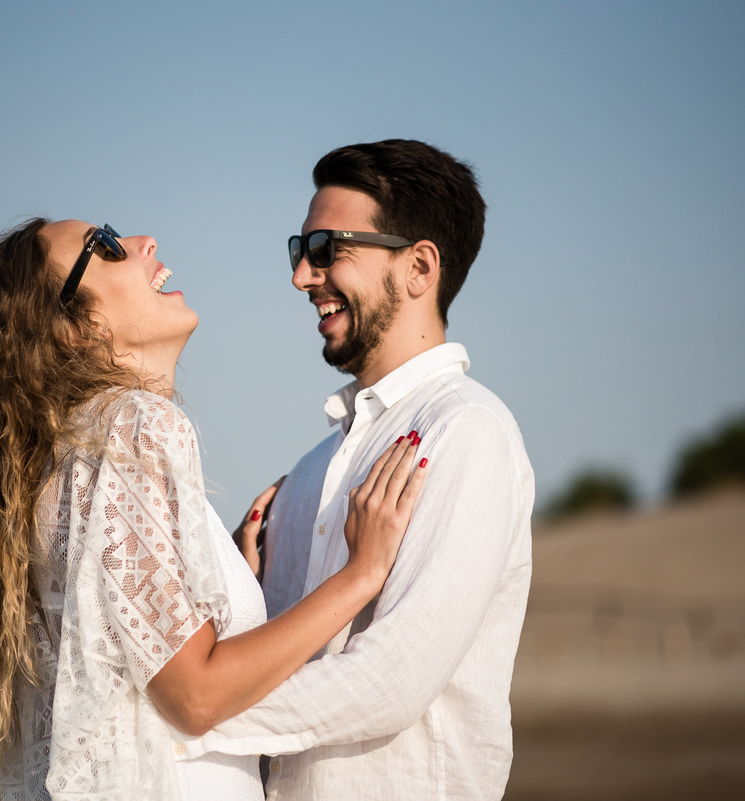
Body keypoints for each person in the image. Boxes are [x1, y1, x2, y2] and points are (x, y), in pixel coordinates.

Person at [0, 217, 428, 800]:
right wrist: (363, 573)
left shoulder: (53, 466)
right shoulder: (134, 426)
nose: (143, 242)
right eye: (104, 247)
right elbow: (194, 696)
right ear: (71, 331)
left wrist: (217, 576)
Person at [180, 139, 535, 800]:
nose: (302, 277)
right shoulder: (307, 474)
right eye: (300, 251)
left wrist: (186, 713)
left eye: (327, 250)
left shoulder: (467, 431)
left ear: (419, 267)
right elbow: (273, 658)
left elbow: (391, 679)